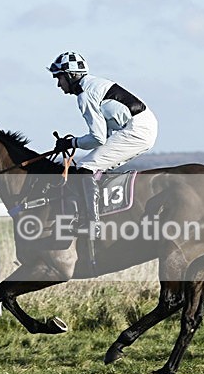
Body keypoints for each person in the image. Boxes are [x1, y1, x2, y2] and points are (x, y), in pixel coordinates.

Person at [48, 51, 157, 244]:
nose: (58, 84)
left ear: (71, 75)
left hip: (137, 129)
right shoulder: (93, 84)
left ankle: (93, 224)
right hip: (142, 126)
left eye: (60, 78)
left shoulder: (85, 95)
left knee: (85, 168)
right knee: (95, 164)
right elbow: (104, 135)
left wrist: (70, 143)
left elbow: (98, 138)